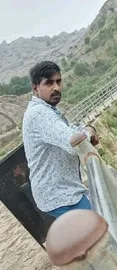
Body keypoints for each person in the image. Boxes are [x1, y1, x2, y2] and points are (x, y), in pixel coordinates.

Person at [22, 61, 99, 219]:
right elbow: (73, 141)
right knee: (100, 226)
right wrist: (90, 132)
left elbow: (73, 129)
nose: (56, 87)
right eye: (49, 83)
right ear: (35, 88)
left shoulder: (49, 110)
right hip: (59, 195)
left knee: (97, 226)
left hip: (64, 189)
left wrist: (88, 129)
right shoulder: (39, 114)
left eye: (58, 81)